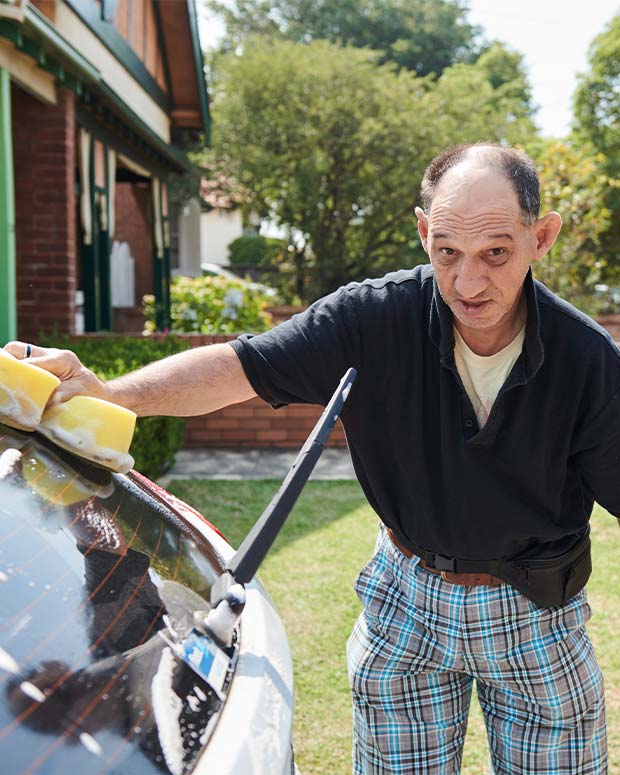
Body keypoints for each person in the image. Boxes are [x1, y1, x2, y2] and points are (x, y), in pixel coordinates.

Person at [5, 143, 620, 774]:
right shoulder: (371, 318)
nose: (467, 283)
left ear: (540, 237)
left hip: (535, 613)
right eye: (446, 252)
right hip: (406, 600)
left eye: (496, 252)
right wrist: (113, 394)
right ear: (422, 231)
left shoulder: (588, 359)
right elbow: (239, 367)